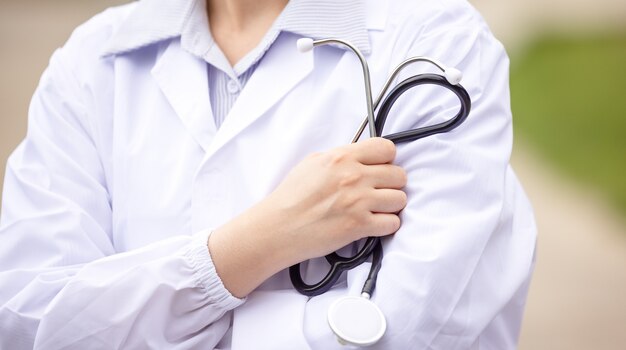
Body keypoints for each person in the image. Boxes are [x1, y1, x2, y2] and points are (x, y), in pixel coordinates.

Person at [0, 0, 537, 348]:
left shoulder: (436, 40)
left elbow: (416, 327)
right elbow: (30, 320)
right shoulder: (91, 62)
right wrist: (263, 240)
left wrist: (129, 317)